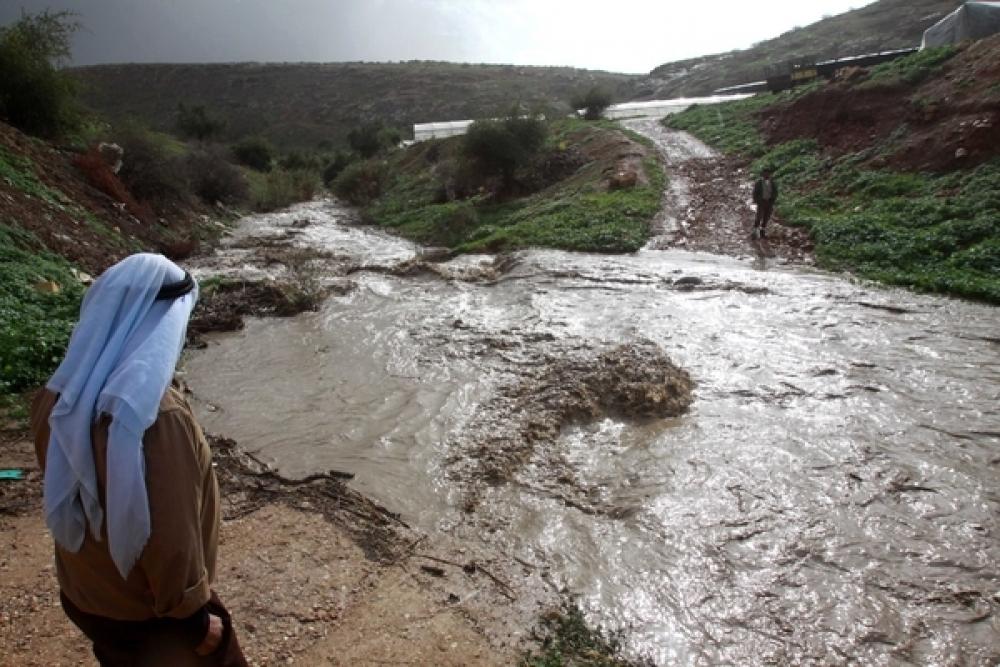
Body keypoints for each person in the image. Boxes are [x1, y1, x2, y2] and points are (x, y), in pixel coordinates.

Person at [29, 253, 248, 667]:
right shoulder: (156, 416)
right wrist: (194, 619)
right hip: (152, 615)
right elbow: (169, 535)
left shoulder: (57, 395)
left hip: (87, 595)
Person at [752, 169, 778, 239]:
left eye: (768, 174)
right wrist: (757, 201)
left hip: (769, 202)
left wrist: (772, 199)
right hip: (761, 202)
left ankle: (762, 231)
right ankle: (754, 232)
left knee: (766, 217)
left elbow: (775, 192)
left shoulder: (772, 183)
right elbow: (755, 193)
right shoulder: (759, 183)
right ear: (763, 174)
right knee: (759, 217)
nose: (766, 175)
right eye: (765, 174)